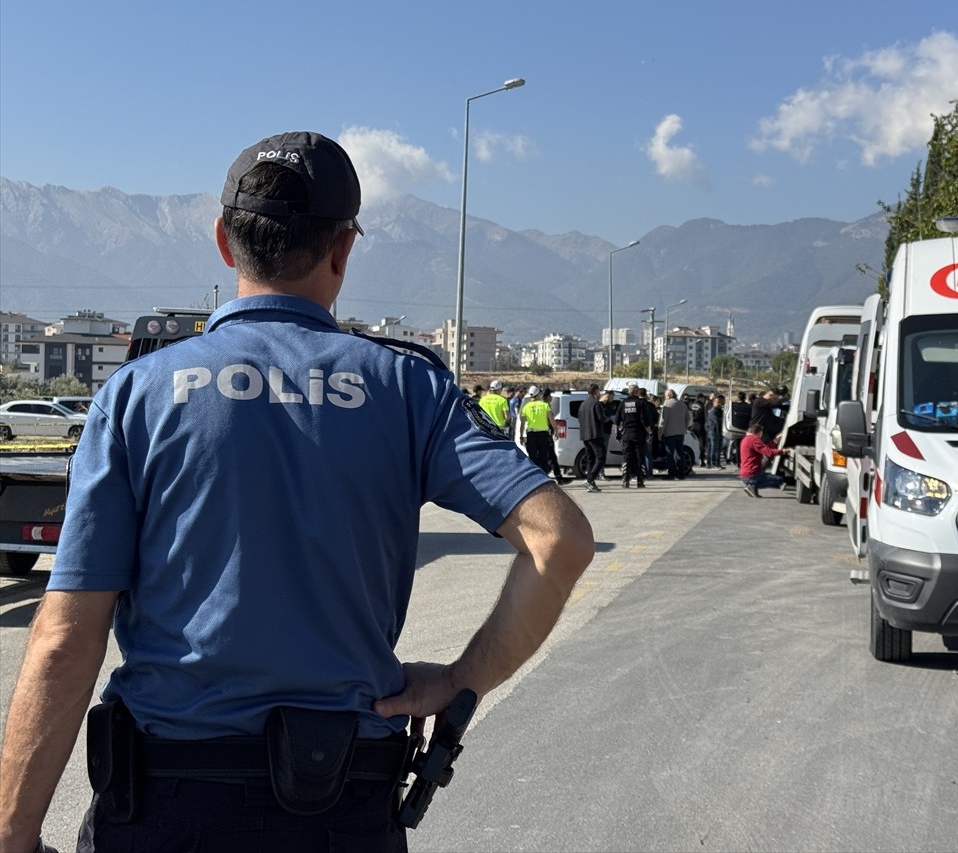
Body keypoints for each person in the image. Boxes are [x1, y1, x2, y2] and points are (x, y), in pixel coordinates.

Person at [0, 131, 595, 853]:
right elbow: (558, 539)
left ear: (224, 241)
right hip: (343, 808)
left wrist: (14, 835)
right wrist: (464, 678)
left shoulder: (137, 395)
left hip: (164, 807)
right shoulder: (407, 388)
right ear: (343, 250)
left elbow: (65, 637)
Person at [739, 423, 789, 497]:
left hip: (745, 474)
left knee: (764, 475)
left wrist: (775, 441)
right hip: (752, 474)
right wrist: (783, 451)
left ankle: (752, 487)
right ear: (759, 433)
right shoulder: (754, 439)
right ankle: (752, 485)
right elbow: (768, 452)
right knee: (779, 480)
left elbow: (764, 448)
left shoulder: (746, 439)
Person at [616, 385, 652, 488]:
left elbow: (617, 420)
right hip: (638, 435)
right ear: (636, 392)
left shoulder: (623, 403)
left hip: (627, 435)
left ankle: (625, 481)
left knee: (626, 458)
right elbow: (644, 420)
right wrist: (649, 432)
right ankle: (640, 481)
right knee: (639, 458)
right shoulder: (640, 403)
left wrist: (618, 433)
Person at [577, 384, 607, 492]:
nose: (600, 394)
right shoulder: (596, 404)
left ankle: (591, 483)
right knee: (601, 457)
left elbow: (580, 419)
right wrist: (609, 419)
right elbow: (602, 418)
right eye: (599, 391)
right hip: (595, 434)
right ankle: (590, 480)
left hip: (585, 435)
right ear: (596, 392)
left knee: (590, 459)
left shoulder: (583, 404)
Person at [520, 384, 555, 475]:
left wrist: (521, 436)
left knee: (532, 457)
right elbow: (551, 419)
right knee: (543, 456)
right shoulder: (544, 405)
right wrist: (556, 431)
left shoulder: (526, 407)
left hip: (531, 434)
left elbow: (522, 424)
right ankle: (543, 476)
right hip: (543, 434)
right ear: (538, 394)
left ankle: (533, 476)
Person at [658, 388, 688, 480]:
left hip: (669, 433)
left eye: (665, 396)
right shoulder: (683, 404)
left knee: (670, 454)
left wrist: (660, 434)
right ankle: (681, 474)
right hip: (680, 433)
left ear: (669, 395)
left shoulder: (667, 405)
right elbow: (688, 419)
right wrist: (684, 428)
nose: (665, 398)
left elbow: (663, 421)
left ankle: (671, 474)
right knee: (680, 453)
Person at [725, 391, 752, 466]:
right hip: (746, 430)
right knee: (746, 448)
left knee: (738, 447)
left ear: (738, 398)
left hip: (736, 429)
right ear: (745, 397)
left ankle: (738, 463)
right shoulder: (749, 407)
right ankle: (745, 462)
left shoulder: (735, 406)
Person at [706, 393, 725, 469]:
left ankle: (717, 463)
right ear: (714, 402)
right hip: (713, 432)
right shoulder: (713, 411)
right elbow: (717, 422)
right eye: (717, 402)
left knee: (718, 448)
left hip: (719, 432)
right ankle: (712, 463)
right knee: (714, 448)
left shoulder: (720, 411)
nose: (719, 404)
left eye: (720, 402)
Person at [689, 392, 708, 467]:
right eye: (703, 398)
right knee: (701, 444)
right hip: (700, 426)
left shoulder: (691, 405)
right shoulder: (702, 406)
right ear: (700, 398)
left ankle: (693, 459)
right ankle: (702, 460)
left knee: (692, 443)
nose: (704, 400)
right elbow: (705, 416)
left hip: (692, 426)